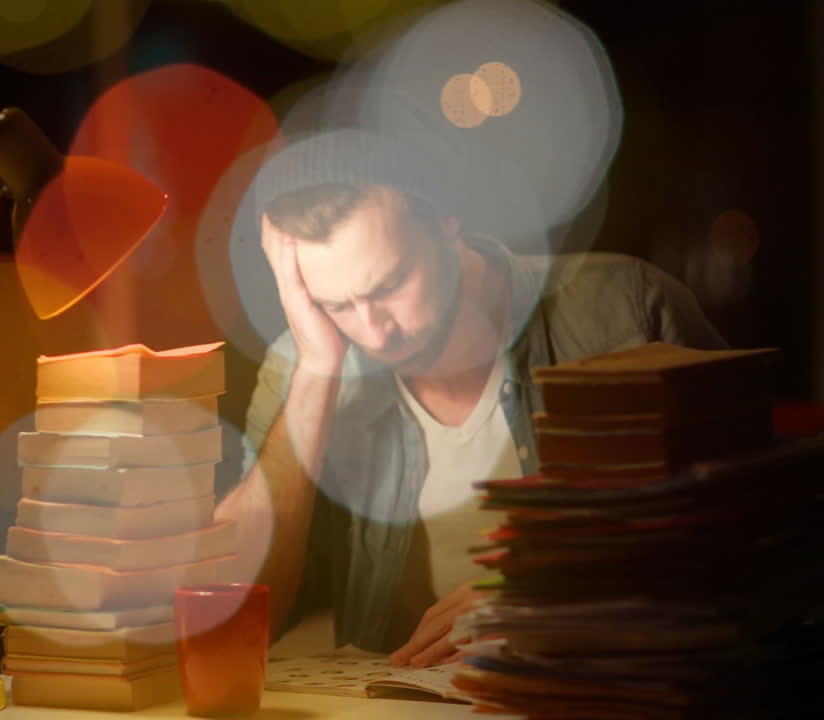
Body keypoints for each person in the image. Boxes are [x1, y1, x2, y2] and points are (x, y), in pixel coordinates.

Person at [214, 128, 726, 668]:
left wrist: (547, 592)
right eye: (336, 305)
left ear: (447, 219)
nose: (374, 331)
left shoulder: (626, 310)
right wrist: (318, 370)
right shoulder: (308, 364)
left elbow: (751, 538)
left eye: (389, 285)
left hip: (605, 689)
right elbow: (243, 613)